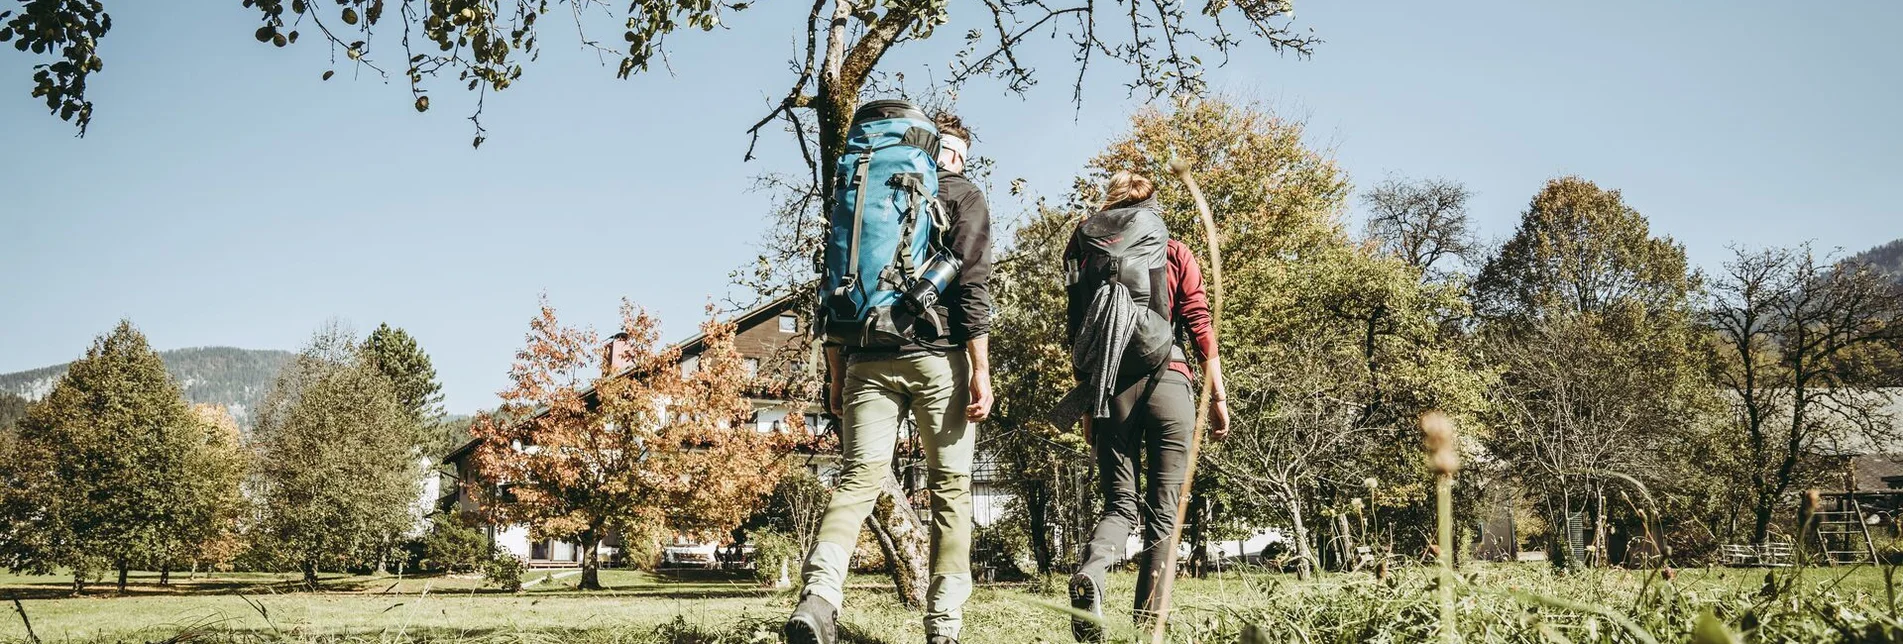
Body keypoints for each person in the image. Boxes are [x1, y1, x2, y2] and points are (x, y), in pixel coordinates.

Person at [785, 112, 994, 644]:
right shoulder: (963, 195)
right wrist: (981, 370)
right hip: (936, 355)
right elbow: (972, 288)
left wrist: (836, 372)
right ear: (954, 154)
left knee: (857, 479)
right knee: (950, 489)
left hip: (863, 354)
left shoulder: (865, 187)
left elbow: (833, 283)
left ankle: (819, 597)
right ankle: (944, 625)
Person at [1063, 170, 1228, 642]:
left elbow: (1078, 330)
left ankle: (1092, 572)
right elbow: (1198, 321)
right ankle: (1148, 625)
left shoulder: (1083, 253)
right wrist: (1217, 397)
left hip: (1110, 387)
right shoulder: (1172, 250)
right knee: (1164, 512)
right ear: (1151, 209)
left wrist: (1088, 401)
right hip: (1170, 381)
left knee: (1119, 504)